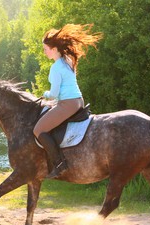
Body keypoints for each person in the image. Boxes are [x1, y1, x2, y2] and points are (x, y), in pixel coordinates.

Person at [33, 23, 102, 179]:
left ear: (54, 49)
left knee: (38, 130)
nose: (44, 52)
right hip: (78, 101)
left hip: (67, 103)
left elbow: (55, 94)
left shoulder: (56, 67)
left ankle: (59, 164)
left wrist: (44, 93)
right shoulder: (68, 60)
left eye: (45, 49)